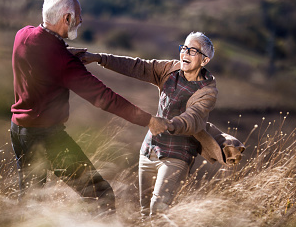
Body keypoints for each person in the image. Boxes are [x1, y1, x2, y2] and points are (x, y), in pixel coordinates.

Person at [10, 0, 170, 216]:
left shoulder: (22, 35)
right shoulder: (64, 62)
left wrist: (64, 52)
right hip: (47, 138)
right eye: (78, 16)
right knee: (100, 195)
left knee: (30, 200)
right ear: (66, 18)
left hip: (19, 131)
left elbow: (43, 54)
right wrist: (149, 121)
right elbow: (104, 98)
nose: (81, 19)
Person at [76, 32, 245, 216]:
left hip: (178, 155)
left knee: (158, 208)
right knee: (144, 211)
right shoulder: (169, 70)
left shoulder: (208, 92)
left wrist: (169, 124)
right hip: (150, 149)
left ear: (204, 61)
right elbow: (137, 66)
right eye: (184, 48)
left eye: (192, 51)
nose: (185, 54)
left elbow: (193, 118)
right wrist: (100, 58)